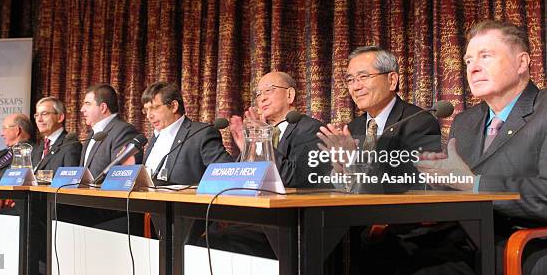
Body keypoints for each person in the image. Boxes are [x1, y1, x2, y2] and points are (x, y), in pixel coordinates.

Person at [415, 20, 547, 275]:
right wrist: (437, 179)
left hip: (520, 244)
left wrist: (473, 184)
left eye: (485, 56)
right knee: (384, 252)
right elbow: (457, 188)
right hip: (463, 241)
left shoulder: (544, 110)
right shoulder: (465, 121)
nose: (473, 68)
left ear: (522, 63)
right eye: (467, 61)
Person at [317, 46, 442, 193]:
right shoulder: (353, 128)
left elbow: (408, 183)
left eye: (363, 77)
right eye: (350, 79)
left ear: (392, 80)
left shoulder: (419, 123)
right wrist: (340, 170)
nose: (355, 87)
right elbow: (347, 190)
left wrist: (353, 161)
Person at [229, 71, 330, 188]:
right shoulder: (262, 132)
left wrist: (263, 141)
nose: (262, 98)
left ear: (290, 95)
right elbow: (239, 183)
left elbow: (296, 178)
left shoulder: (311, 128)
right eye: (258, 94)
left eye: (268, 90)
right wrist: (248, 149)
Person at [141, 82, 232, 185]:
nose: (149, 115)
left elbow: (226, 175)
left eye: (155, 107)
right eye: (146, 110)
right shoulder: (155, 137)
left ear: (174, 106)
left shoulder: (201, 134)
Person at [79, 84, 140, 178]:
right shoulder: (92, 134)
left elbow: (119, 176)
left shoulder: (123, 131)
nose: (82, 109)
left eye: (88, 104)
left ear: (103, 107)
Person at [31, 96, 81, 172]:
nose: (39, 119)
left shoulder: (71, 145)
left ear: (60, 117)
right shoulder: (39, 147)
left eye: (44, 114)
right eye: (37, 115)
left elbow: (70, 181)